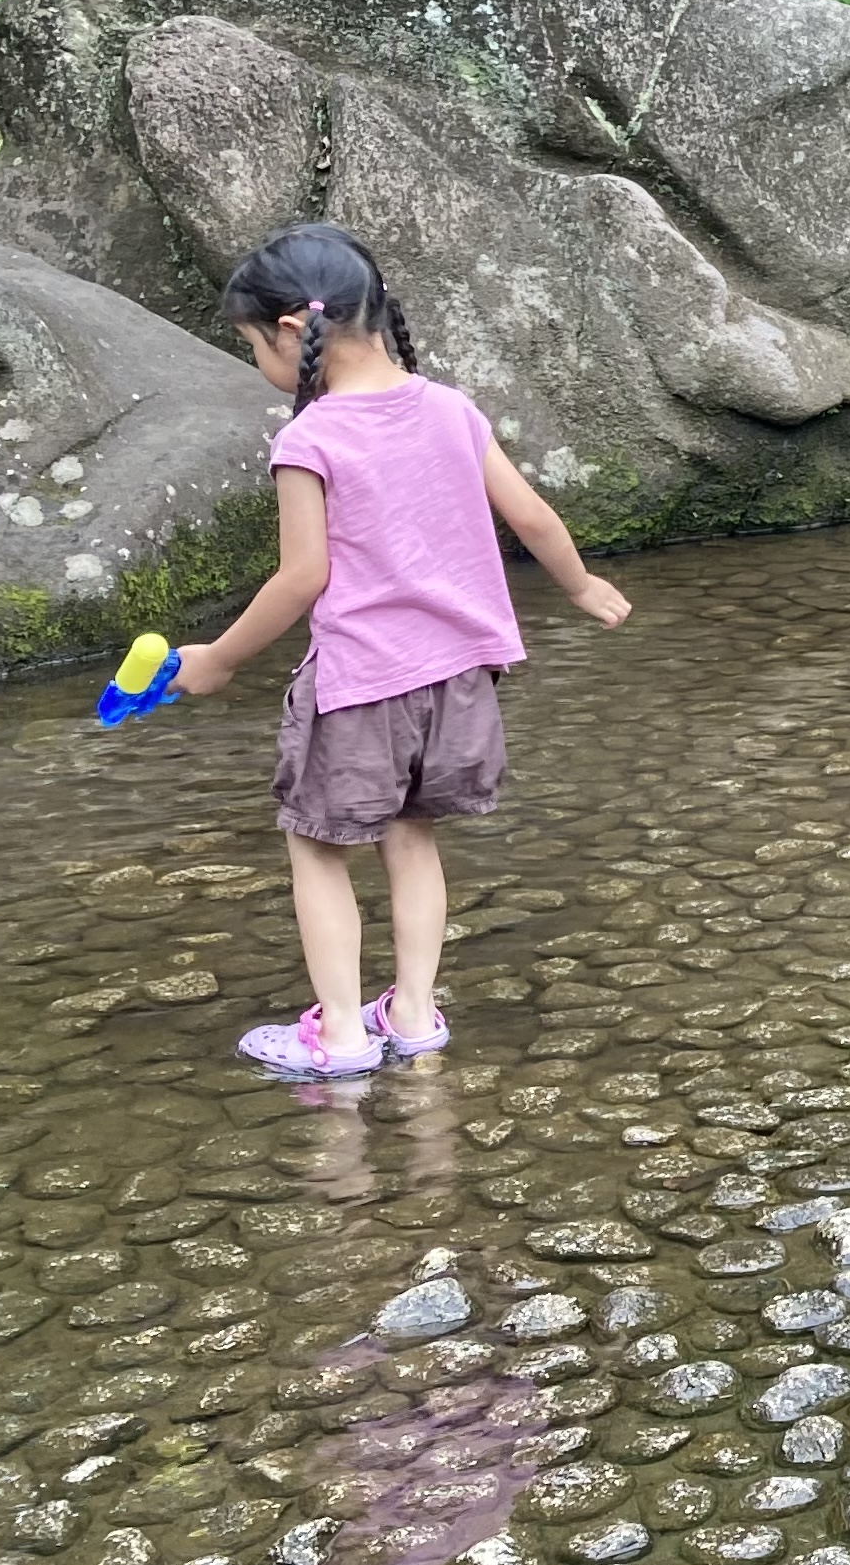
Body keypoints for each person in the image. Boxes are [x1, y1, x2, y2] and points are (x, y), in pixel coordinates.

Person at [169, 223, 631, 1076]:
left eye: (250, 347)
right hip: (459, 680)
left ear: (292, 331)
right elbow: (529, 517)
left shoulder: (309, 439)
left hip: (361, 683)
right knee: (414, 838)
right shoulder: (450, 407)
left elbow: (303, 578)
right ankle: (414, 1016)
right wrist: (579, 587)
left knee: (316, 846)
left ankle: (341, 1036)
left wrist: (222, 658)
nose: (259, 367)